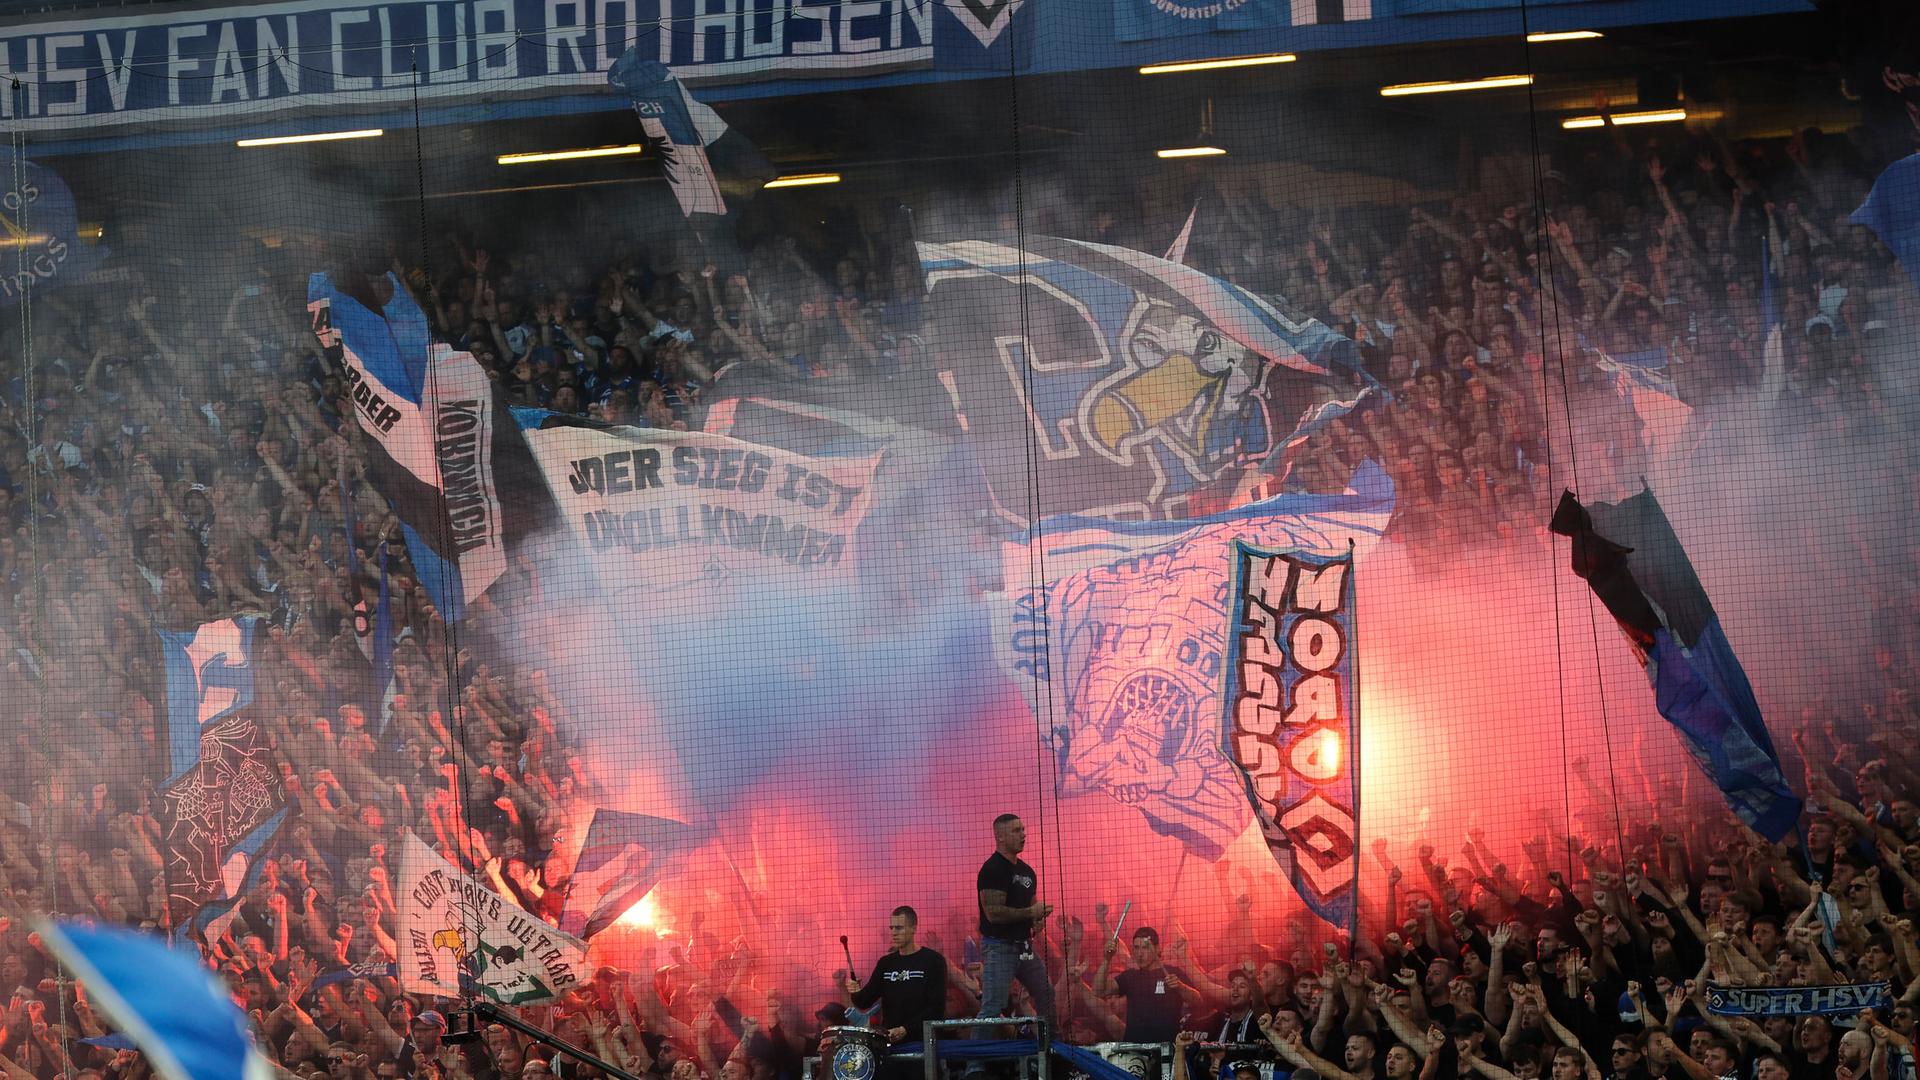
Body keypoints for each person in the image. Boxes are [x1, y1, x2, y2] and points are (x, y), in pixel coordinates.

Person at [975, 813, 1054, 1028]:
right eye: (1016, 830)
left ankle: (1052, 1049)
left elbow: (1032, 910)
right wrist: (1031, 912)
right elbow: (993, 913)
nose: (1023, 835)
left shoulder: (1027, 871)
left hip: (1025, 947)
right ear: (999, 836)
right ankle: (975, 1062)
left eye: (1023, 829)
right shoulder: (992, 869)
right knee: (993, 1006)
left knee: (1046, 993)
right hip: (999, 947)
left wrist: (1038, 919)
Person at [845, 906, 949, 1045]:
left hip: (923, 1044)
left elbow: (937, 1008)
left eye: (899, 928)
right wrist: (855, 990)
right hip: (891, 1043)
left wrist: (905, 1029)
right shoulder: (886, 963)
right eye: (891, 928)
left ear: (913, 928)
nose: (893, 933)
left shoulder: (933, 961)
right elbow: (864, 1001)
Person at [1093, 927, 1192, 1044]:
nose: (1140, 954)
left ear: (1157, 948)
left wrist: (1180, 987)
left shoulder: (1173, 973)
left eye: (1145, 947)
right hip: (1135, 1050)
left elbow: (1198, 1001)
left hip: (1167, 1050)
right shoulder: (1129, 977)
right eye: (1136, 948)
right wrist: (1106, 959)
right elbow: (1098, 991)